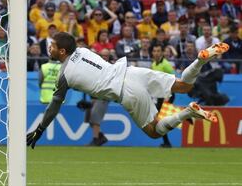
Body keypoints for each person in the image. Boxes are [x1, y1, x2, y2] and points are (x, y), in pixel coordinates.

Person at [27, 32, 229, 148]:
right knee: (184, 86)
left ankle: (187, 112)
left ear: (62, 51)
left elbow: (54, 107)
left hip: (126, 91)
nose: (49, 49)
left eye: (52, 46)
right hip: (131, 71)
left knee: (154, 132)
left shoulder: (63, 76)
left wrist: (40, 129)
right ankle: (200, 61)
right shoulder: (83, 49)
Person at [150, 44, 175, 148]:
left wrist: (168, 95)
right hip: (159, 95)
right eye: (155, 51)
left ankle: (167, 142)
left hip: (167, 95)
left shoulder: (166, 65)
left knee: (159, 119)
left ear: (162, 53)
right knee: (158, 119)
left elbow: (173, 80)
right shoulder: (153, 64)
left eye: (158, 51)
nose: (156, 53)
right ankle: (166, 142)